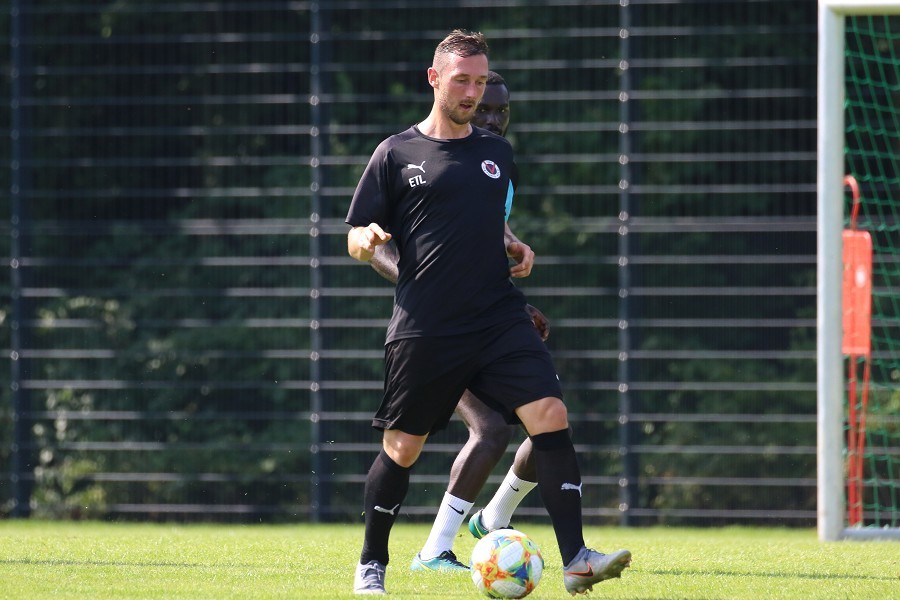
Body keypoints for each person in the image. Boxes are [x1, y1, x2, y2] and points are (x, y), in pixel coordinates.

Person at [346, 30, 632, 596]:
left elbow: (479, 220)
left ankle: (576, 559)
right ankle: (371, 564)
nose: (473, 92)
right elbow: (358, 232)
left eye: (480, 81)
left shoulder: (496, 153)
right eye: (463, 81)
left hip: (498, 315)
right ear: (434, 79)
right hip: (428, 323)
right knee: (402, 449)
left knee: (549, 413)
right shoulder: (395, 153)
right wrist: (366, 242)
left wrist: (513, 243)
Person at [369, 70, 543, 573]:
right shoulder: (408, 155)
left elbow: (482, 245)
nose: (490, 117)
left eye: (500, 110)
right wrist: (432, 288)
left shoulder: (497, 164)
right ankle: (431, 550)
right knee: (481, 432)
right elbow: (378, 243)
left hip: (489, 318)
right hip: (435, 326)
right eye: (481, 105)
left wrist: (513, 300)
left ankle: (490, 521)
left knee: (546, 423)